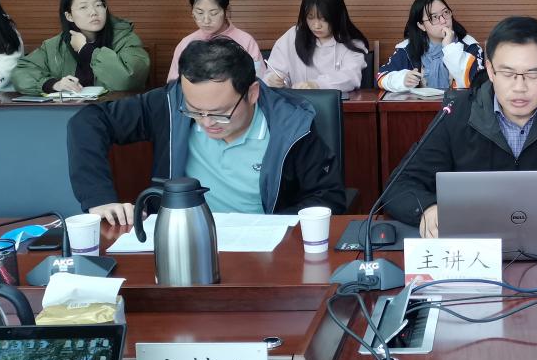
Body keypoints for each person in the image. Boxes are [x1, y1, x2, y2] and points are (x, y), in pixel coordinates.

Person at [384, 16, 537, 236]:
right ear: (490, 71)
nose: (519, 87)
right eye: (507, 73)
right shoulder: (457, 113)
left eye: (533, 74)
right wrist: (428, 208)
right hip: (478, 253)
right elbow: (399, 186)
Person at [68, 37, 346, 224]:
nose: (206, 122)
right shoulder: (170, 105)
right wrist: (98, 199)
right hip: (181, 242)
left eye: (219, 113)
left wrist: (272, 228)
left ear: (252, 93)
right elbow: (88, 122)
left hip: (265, 249)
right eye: (195, 110)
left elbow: (327, 199)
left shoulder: (292, 126)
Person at [11, 0, 150, 95]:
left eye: (99, 5)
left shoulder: (125, 39)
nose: (94, 12)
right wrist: (53, 84)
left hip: (114, 111)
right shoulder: (55, 46)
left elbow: (128, 79)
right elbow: (21, 73)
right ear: (69, 16)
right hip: (69, 112)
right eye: (83, 7)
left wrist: (86, 50)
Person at [265, 0, 369, 92]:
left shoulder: (352, 43)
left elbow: (351, 76)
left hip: (336, 102)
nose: (316, 26)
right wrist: (272, 79)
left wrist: (316, 85)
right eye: (310, 18)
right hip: (297, 102)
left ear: (336, 16)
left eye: (323, 19)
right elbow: (273, 73)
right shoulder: (292, 37)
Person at [378, 0, 483, 93]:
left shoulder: (470, 46)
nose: (443, 21)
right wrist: (402, 79)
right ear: (421, 25)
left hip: (458, 104)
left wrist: (450, 48)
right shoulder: (408, 48)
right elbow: (381, 77)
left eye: (446, 13)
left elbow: (478, 84)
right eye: (434, 17)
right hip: (419, 105)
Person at [167, 0, 265, 81]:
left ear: (226, 11)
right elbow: (173, 85)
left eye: (213, 13)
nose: (206, 20)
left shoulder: (246, 41)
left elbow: (260, 81)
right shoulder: (186, 43)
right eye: (200, 13)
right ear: (192, 12)